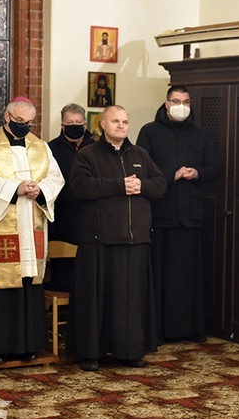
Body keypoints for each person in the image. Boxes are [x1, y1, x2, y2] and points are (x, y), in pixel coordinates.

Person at [68, 105, 166, 371]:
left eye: (125, 121)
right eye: (115, 121)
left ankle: (129, 352)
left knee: (130, 302)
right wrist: (120, 185)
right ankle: (90, 354)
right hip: (99, 240)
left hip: (134, 241)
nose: (121, 126)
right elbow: (80, 186)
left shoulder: (140, 154)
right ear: (102, 124)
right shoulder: (88, 154)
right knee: (96, 301)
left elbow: (160, 184)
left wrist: (141, 186)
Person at [0, 96, 65, 365]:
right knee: (1, 285)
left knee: (28, 282)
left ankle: (27, 345)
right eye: (20, 121)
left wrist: (40, 189)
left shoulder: (41, 146)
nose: (25, 126)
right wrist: (15, 189)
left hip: (31, 223)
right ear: (7, 117)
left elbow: (56, 177)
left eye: (29, 122)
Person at [136, 85, 221, 343]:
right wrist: (171, 175)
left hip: (190, 215)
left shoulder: (200, 133)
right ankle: (159, 331)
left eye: (185, 101)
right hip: (161, 214)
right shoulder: (149, 132)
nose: (180, 105)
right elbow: (141, 169)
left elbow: (215, 168)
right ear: (166, 103)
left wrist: (197, 173)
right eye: (175, 101)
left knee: (189, 276)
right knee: (161, 276)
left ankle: (191, 329)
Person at [46, 103, 95, 291]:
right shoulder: (50, 149)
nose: (74, 125)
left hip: (91, 219)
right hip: (62, 220)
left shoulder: (97, 147)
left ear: (84, 123)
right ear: (62, 125)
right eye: (70, 122)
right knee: (64, 278)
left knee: (89, 278)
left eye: (78, 122)